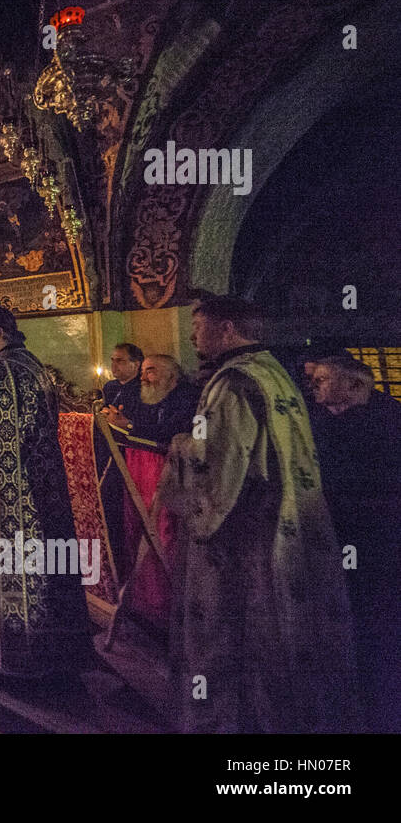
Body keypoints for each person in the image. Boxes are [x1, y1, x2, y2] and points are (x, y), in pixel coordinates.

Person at [155, 296, 355, 732]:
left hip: (245, 539)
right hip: (287, 528)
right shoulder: (273, 373)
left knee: (234, 641)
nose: (192, 336)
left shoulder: (233, 383)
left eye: (199, 325)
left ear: (227, 328)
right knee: (280, 634)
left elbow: (217, 464)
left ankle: (229, 723)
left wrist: (178, 446)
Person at [0, 307, 91, 683]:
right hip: (40, 489)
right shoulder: (36, 368)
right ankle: (49, 649)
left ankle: (0, 651)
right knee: (43, 569)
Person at [309, 355, 401, 731]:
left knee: (372, 620)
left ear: (356, 386)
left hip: (373, 534)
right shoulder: (324, 419)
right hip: (335, 529)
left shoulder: (386, 422)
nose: (313, 385)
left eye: (324, 379)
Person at [101, 354, 198, 631]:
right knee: (136, 532)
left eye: (151, 371)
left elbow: (175, 434)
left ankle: (167, 605)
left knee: (163, 535)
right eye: (143, 371)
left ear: (172, 376)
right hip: (139, 472)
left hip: (168, 476)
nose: (143, 377)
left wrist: (129, 426)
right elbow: (133, 422)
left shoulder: (187, 398)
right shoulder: (143, 395)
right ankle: (144, 601)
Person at [101, 342, 143, 419]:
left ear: (136, 365)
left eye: (119, 361)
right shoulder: (109, 387)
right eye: (112, 360)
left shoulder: (145, 389)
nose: (113, 365)